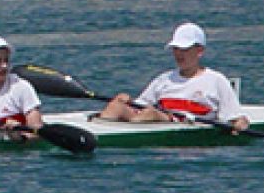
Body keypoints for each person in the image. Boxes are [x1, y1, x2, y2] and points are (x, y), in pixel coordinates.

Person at [99, 23, 250, 133]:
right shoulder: (163, 79)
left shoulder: (217, 80)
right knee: (116, 105)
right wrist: (126, 101)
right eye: (176, 49)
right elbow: (139, 106)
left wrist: (241, 123)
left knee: (150, 113)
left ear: (200, 51)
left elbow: (236, 118)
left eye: (185, 49)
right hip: (156, 119)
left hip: (181, 125)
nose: (179, 54)